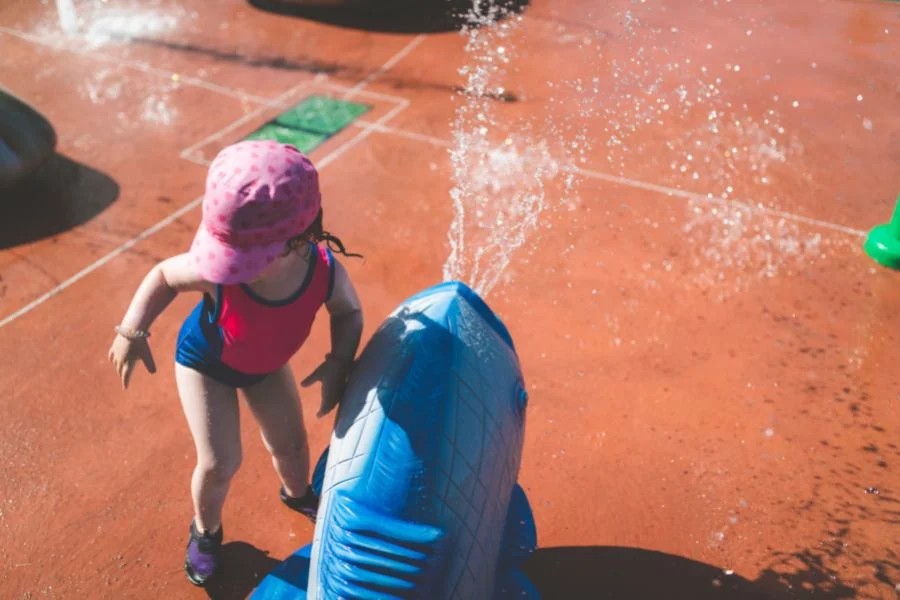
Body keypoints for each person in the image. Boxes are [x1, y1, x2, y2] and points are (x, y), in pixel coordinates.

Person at [107, 140, 364, 586]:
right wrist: (133, 330)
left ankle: (297, 493)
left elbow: (348, 311)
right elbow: (165, 275)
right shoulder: (216, 273)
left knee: (292, 445)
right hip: (205, 364)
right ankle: (205, 532)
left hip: (265, 366)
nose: (229, 269)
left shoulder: (323, 269)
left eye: (242, 259)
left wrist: (339, 360)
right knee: (220, 461)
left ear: (299, 238)